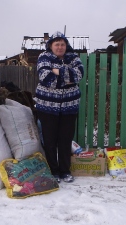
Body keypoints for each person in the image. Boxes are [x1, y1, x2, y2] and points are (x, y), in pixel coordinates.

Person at [34, 31, 84, 183]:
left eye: (62, 44)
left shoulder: (73, 57)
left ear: (66, 45)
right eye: (57, 44)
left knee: (65, 139)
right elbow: (46, 78)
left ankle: (65, 171)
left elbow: (79, 75)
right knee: (49, 140)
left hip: (69, 106)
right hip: (47, 107)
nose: (60, 47)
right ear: (51, 45)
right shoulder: (44, 57)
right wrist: (67, 77)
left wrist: (58, 72)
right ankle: (53, 171)